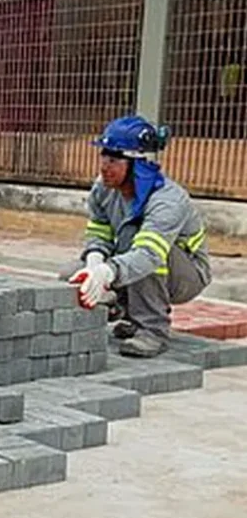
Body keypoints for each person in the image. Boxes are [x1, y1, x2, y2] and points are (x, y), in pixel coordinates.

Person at [63, 115, 211, 357]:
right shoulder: (103, 189)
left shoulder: (167, 200)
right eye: (103, 156)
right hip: (133, 260)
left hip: (184, 274)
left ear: (136, 164)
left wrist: (108, 272)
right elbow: (98, 231)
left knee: (144, 252)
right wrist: (94, 263)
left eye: (113, 160)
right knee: (71, 274)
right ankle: (125, 310)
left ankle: (153, 329)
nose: (104, 166)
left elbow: (150, 254)